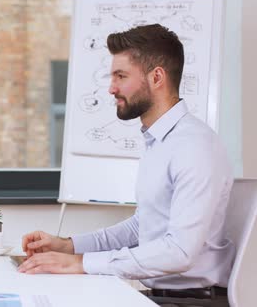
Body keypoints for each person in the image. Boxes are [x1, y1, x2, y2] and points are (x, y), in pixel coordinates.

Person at [20, 24, 234, 306]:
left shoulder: (194, 147)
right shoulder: (161, 141)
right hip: (162, 297)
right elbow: (142, 227)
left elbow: (180, 252)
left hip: (191, 302)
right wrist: (69, 246)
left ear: (157, 77)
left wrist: (80, 263)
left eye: (121, 76)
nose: (111, 88)